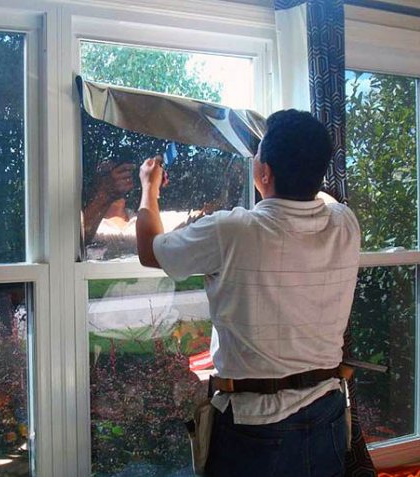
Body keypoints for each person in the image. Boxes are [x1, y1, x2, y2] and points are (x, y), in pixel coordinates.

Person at [136, 109, 361, 476]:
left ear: (265, 172)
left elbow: (150, 250)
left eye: (257, 154)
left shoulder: (233, 231)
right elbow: (320, 196)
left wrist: (149, 186)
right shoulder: (344, 223)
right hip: (328, 414)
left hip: (257, 427)